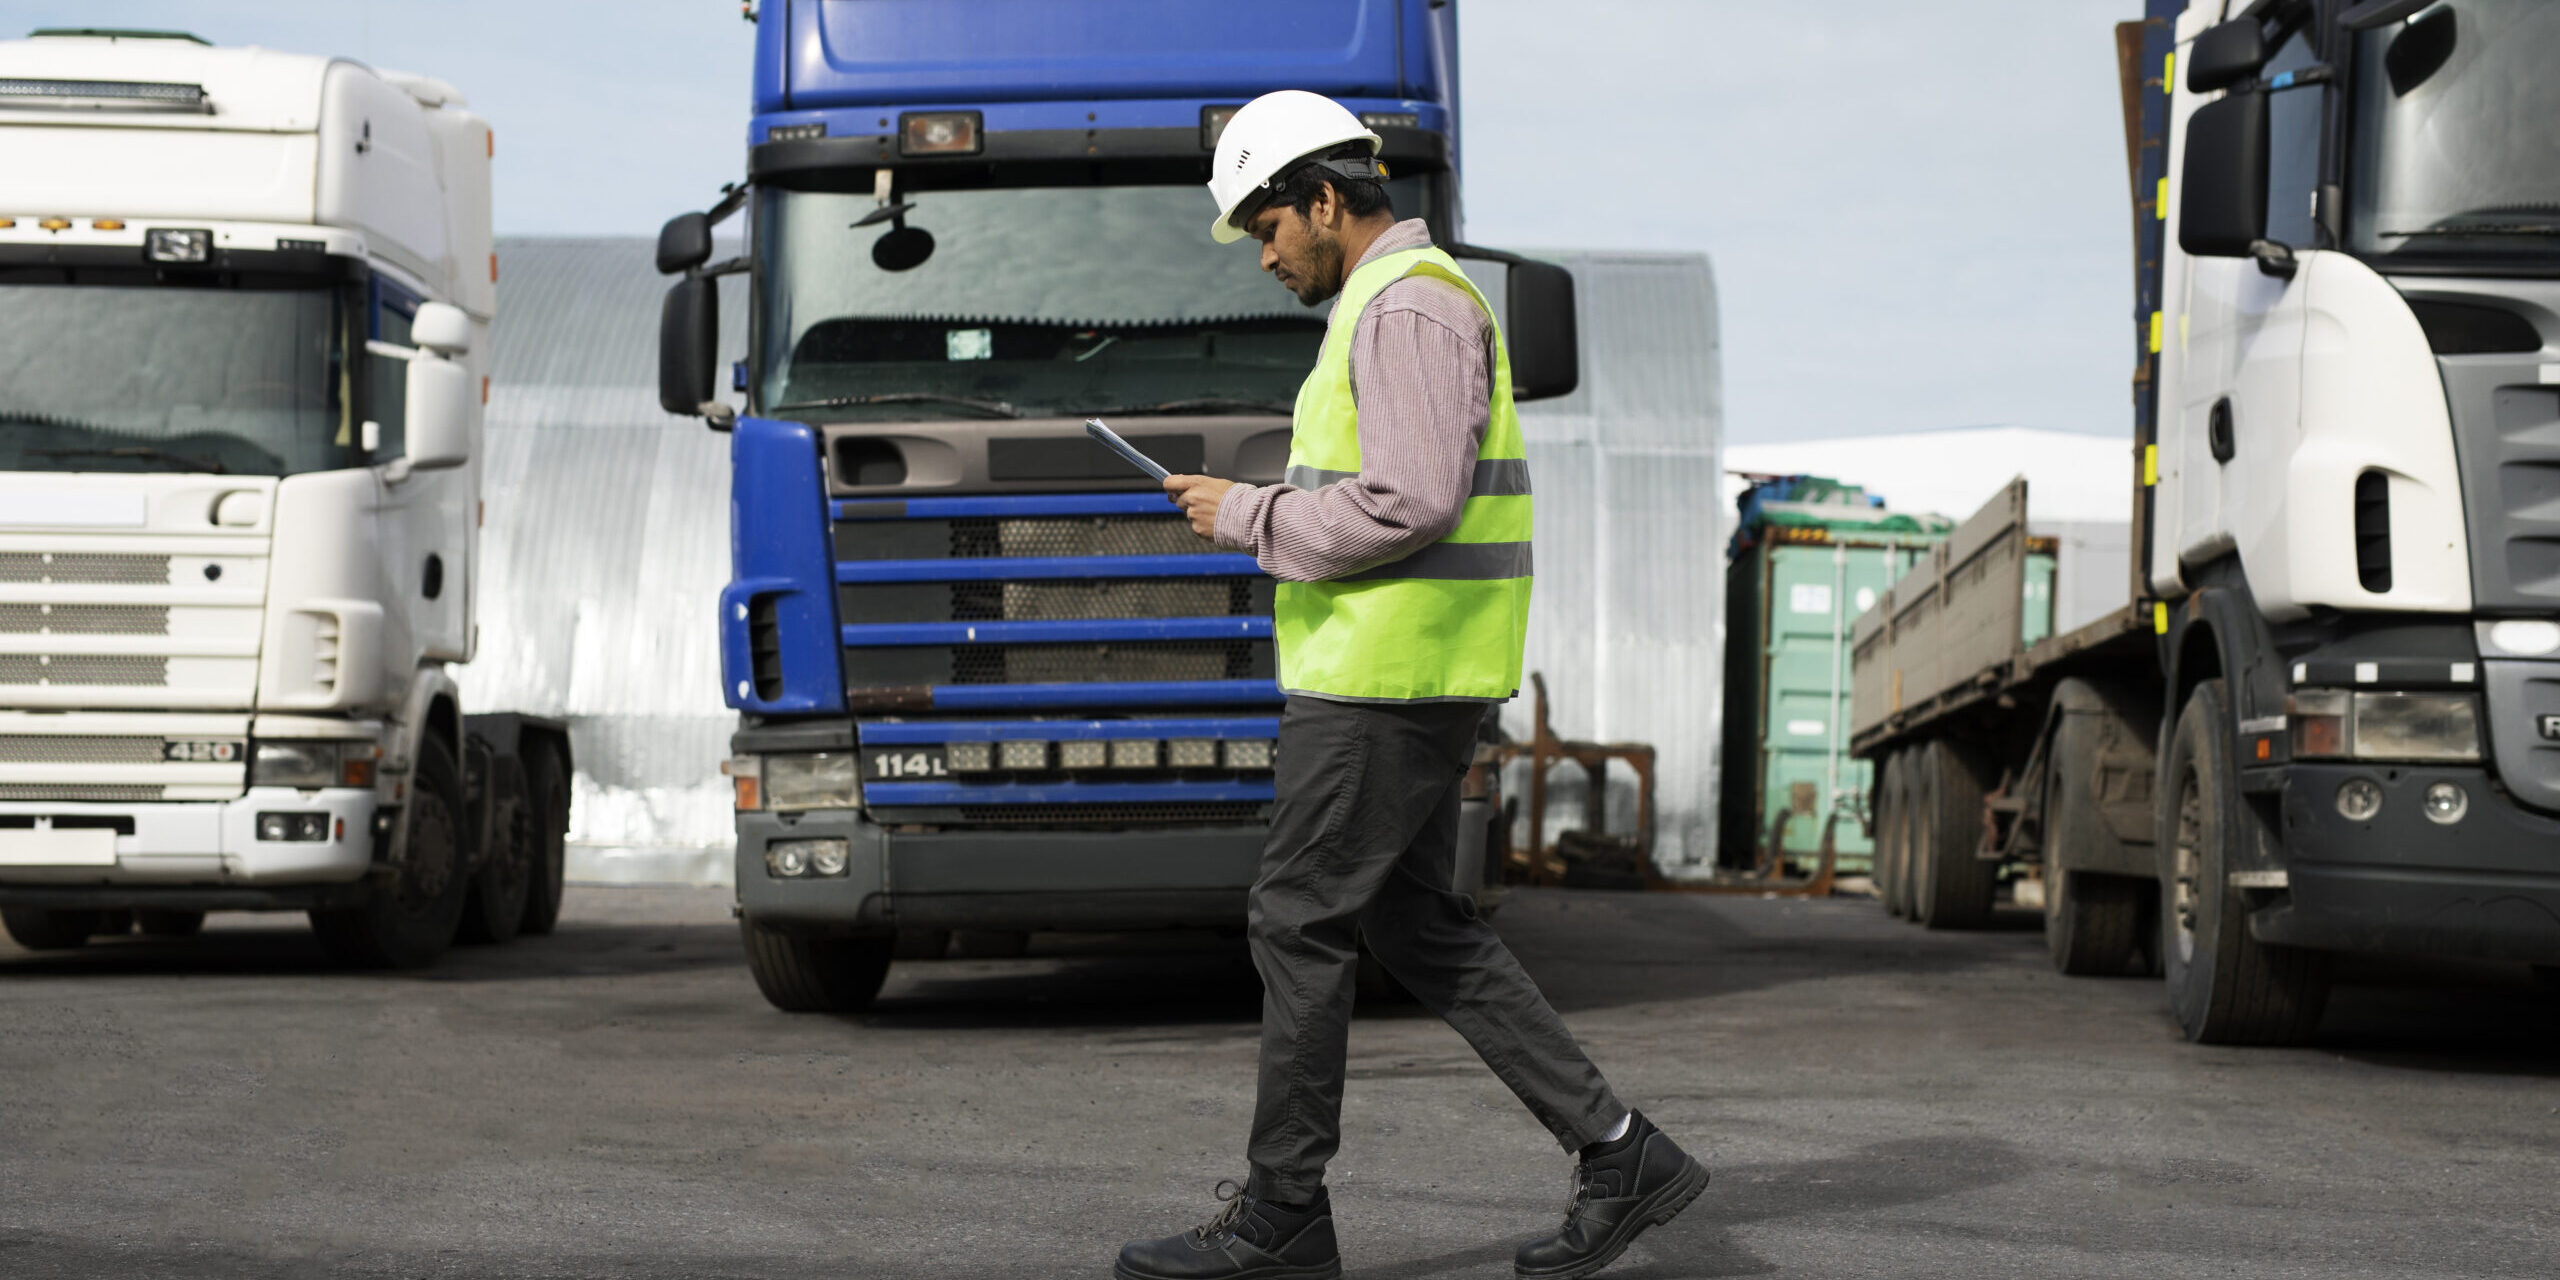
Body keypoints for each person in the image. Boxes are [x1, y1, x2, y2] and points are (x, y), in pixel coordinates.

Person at [1115, 90, 1708, 1280]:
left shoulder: (1409, 306)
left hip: (1389, 681)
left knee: (1295, 915)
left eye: (1267, 224)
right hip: (1401, 668)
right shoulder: (1396, 306)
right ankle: (1619, 1149)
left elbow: (1412, 498)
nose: (1264, 251)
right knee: (1413, 922)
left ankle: (1281, 1212)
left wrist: (1246, 514)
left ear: (1325, 199)